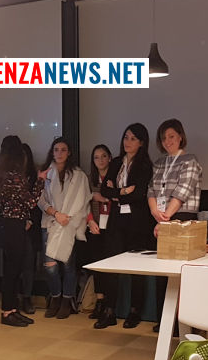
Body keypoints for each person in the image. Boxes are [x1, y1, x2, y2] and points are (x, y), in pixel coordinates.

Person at [95, 123, 155, 330]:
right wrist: (123, 192)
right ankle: (109, 311)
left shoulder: (145, 165)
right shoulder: (116, 162)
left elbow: (139, 194)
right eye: (126, 137)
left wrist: (117, 192)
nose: (127, 142)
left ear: (141, 143)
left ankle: (134, 310)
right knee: (111, 263)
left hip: (137, 222)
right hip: (116, 220)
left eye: (133, 138)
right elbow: (105, 190)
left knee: (136, 266)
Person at [147, 118, 202, 331]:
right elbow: (151, 190)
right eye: (163, 138)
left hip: (183, 219)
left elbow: (182, 192)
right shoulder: (159, 163)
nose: (167, 141)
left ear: (180, 136)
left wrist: (165, 220)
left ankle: (186, 324)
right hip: (162, 218)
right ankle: (165, 322)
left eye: (171, 136)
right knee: (164, 272)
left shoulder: (190, 160)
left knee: (183, 273)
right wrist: (156, 213)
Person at [0, 135, 46, 326]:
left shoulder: (2, 173)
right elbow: (31, 202)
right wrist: (40, 181)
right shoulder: (14, 176)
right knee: (12, 270)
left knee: (13, 269)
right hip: (15, 225)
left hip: (10, 223)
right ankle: (8, 312)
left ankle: (12, 310)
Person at [39, 137, 91, 319]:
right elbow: (39, 199)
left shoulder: (79, 175)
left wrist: (68, 218)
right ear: (52, 152)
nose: (59, 153)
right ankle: (55, 296)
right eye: (56, 149)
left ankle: (67, 300)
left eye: (63, 150)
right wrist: (55, 214)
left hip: (69, 224)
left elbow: (83, 201)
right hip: (50, 222)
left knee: (68, 266)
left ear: (69, 153)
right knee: (50, 266)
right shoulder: (46, 173)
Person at [85, 144, 113, 320]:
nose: (100, 160)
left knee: (110, 265)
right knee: (96, 264)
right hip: (95, 225)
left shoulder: (116, 177)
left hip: (113, 226)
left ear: (110, 158)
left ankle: (110, 303)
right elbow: (83, 203)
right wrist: (90, 221)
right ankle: (100, 300)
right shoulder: (89, 179)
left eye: (103, 156)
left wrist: (103, 198)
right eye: (96, 157)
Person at [19, 143, 42, 314]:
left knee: (29, 263)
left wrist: (30, 220)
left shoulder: (35, 177)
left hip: (31, 225)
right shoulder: (9, 177)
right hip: (13, 224)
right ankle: (14, 297)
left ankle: (27, 297)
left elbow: (37, 202)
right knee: (12, 263)